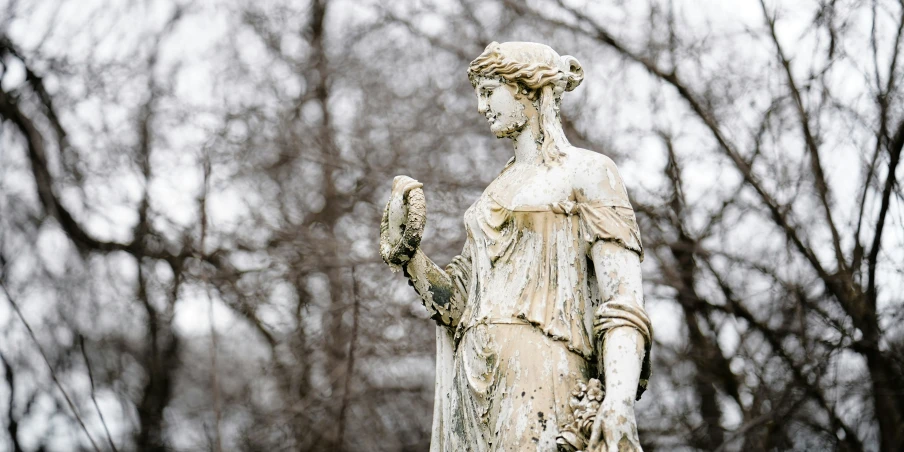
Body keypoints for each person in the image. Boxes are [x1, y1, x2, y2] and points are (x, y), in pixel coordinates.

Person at [380, 41, 652, 452]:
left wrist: (618, 401)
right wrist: (409, 256)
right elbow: (459, 305)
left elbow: (623, 303)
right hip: (471, 377)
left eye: (489, 91)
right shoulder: (494, 192)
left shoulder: (589, 172)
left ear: (528, 88)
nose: (479, 106)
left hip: (543, 371)